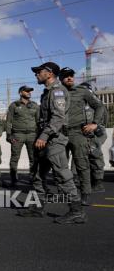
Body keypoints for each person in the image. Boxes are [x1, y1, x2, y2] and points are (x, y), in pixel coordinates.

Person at [17, 62, 86, 224]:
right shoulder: (47, 92)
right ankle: (38, 207)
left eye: (39, 72)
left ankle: (77, 211)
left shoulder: (58, 91)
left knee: (62, 175)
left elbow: (58, 117)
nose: (36, 75)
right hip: (44, 139)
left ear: (49, 73)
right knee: (38, 174)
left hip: (54, 139)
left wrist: (44, 136)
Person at [59, 67, 104, 206]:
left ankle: (85, 194)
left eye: (71, 75)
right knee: (60, 165)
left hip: (78, 134)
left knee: (82, 165)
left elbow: (99, 106)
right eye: (66, 76)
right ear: (61, 78)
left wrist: (95, 124)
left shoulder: (82, 91)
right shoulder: (55, 93)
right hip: (60, 133)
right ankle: (64, 193)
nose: (69, 78)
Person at [5, 86, 39, 187]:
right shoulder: (14, 105)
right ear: (21, 93)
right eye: (27, 91)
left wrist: (39, 135)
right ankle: (13, 179)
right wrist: (9, 135)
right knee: (15, 158)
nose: (29, 93)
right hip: (17, 135)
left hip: (32, 135)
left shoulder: (35, 105)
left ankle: (33, 179)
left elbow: (38, 121)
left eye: (30, 91)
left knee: (33, 158)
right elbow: (8, 121)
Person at [80, 82, 107, 193]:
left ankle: (98, 183)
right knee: (83, 158)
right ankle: (86, 181)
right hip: (82, 135)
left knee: (96, 156)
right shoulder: (80, 104)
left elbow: (104, 120)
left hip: (95, 134)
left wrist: (97, 128)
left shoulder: (96, 104)